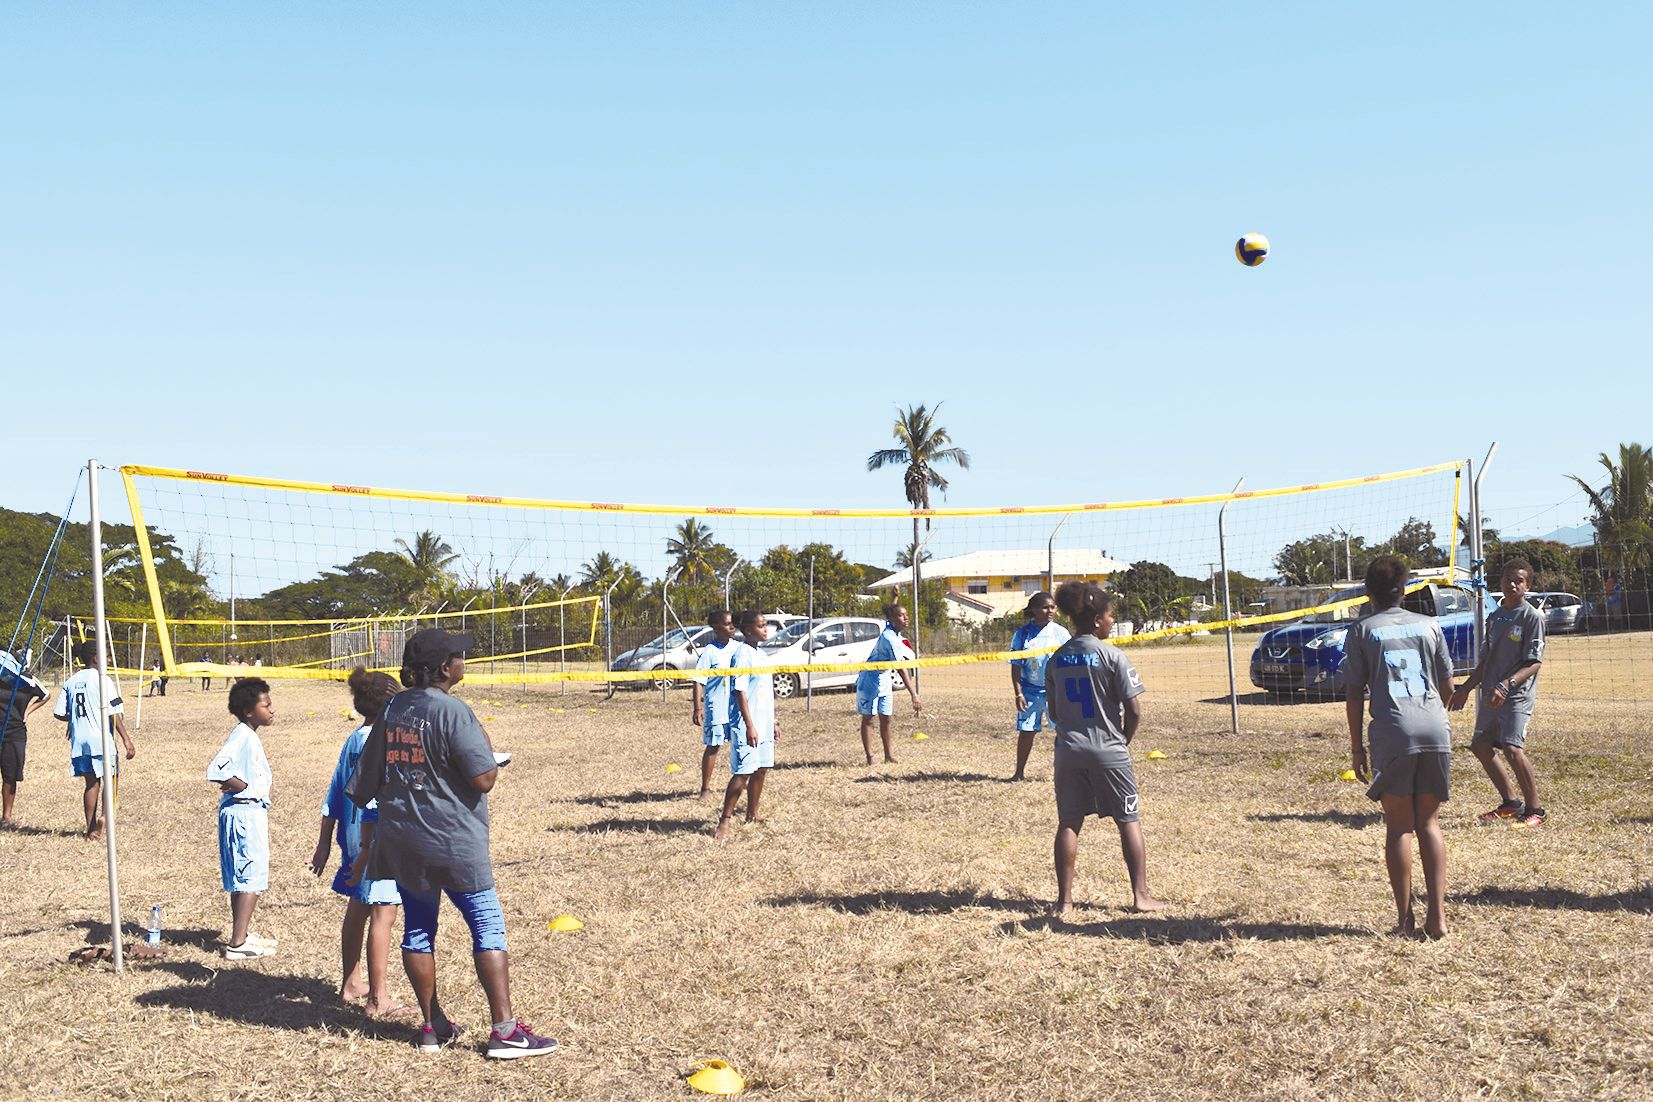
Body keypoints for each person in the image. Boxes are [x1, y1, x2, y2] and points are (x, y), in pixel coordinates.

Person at [346, 628, 558, 1060]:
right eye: (460, 656)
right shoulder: (455, 712)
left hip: (403, 841)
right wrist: (479, 738)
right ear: (445, 668)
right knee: (487, 925)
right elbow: (484, 778)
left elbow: (363, 785)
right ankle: (505, 1031)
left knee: (420, 929)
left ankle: (432, 1025)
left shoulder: (392, 708)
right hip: (452, 840)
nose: (465, 661)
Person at [1342, 556, 1453, 940]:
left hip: (1394, 732)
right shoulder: (1430, 626)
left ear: (1367, 592)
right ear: (1404, 589)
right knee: (1430, 823)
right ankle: (1437, 918)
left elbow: (1354, 691)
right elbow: (1447, 685)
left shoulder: (1361, 630)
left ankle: (1406, 921)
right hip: (1435, 728)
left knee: (1399, 827)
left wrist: (1357, 748)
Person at [1044, 581, 1165, 917]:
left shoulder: (1056, 659)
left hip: (1068, 751)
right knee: (1129, 820)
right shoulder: (1112, 655)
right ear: (1097, 619)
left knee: (1069, 822)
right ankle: (1140, 897)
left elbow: (1054, 713)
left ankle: (1064, 902)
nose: (1113, 621)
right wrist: (1122, 740)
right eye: (1111, 615)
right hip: (1109, 751)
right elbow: (1135, 710)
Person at [309, 667, 409, 1016]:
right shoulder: (381, 741)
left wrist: (324, 842)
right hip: (376, 839)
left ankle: (350, 982)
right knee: (384, 912)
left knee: (359, 905)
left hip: (353, 839)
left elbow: (335, 790)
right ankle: (378, 998)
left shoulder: (354, 738)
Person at [1450, 558, 1548, 828]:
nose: (1512, 584)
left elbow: (1534, 662)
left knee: (1512, 748)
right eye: (1507, 579)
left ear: (1527, 585)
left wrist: (1507, 685)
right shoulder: (1495, 616)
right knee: (1480, 746)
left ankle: (1536, 810)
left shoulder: (1532, 617)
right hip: (1491, 694)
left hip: (1515, 695)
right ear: (1501, 582)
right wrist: (1466, 689)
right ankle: (1510, 803)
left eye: (1518, 580)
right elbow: (1486, 660)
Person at [207, 678, 277, 959]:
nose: (272, 710)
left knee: (244, 876)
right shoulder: (242, 737)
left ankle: (242, 932)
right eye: (266, 705)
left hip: (248, 812)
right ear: (249, 710)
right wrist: (243, 786)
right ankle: (237, 944)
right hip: (245, 814)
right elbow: (216, 769)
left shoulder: (249, 734)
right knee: (251, 877)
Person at [54, 640, 135, 840]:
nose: (108, 660)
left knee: (91, 783)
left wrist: (73, 720)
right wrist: (127, 740)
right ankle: (105, 818)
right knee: (111, 779)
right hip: (101, 739)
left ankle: (90, 830)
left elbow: (59, 713)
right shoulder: (103, 680)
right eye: (106, 656)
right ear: (96, 658)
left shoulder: (70, 681)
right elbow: (113, 712)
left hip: (80, 741)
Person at [714, 610, 776, 840]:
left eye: (766, 624)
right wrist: (749, 725)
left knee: (761, 768)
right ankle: (725, 821)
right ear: (749, 630)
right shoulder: (742, 655)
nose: (765, 628)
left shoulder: (762, 655)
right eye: (761, 625)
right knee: (743, 772)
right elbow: (740, 692)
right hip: (747, 723)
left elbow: (765, 694)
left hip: (764, 722)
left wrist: (774, 722)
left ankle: (752, 813)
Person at [1009, 592, 1071, 782]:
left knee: (1063, 733)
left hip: (1056, 691)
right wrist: (1018, 694)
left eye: (1053, 607)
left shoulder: (1061, 633)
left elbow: (1070, 662)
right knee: (1027, 732)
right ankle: (1019, 773)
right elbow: (1016, 666)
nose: (1050, 610)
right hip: (1030, 691)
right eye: (1045, 607)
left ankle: (1065, 774)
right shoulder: (1022, 634)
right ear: (1034, 610)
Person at [855, 603, 922, 765]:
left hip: (884, 679)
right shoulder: (889, 638)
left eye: (906, 614)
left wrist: (896, 598)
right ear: (892, 619)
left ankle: (888, 756)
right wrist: (914, 695)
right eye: (901, 615)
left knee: (886, 718)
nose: (906, 618)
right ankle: (870, 757)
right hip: (870, 680)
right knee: (869, 718)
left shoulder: (894, 632)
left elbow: (891, 611)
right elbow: (901, 668)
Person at [690, 609, 743, 799]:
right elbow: (698, 681)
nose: (732, 627)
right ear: (716, 628)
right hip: (717, 708)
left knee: (741, 744)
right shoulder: (709, 652)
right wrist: (697, 708)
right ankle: (705, 788)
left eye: (733, 623)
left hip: (736, 707)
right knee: (714, 746)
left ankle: (741, 782)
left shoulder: (739, 648)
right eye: (727, 624)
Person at [1, 649, 50, 827]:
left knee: (10, 774)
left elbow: (45, 695)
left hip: (14, 732)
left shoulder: (27, 681)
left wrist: (27, 712)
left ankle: (6, 816)